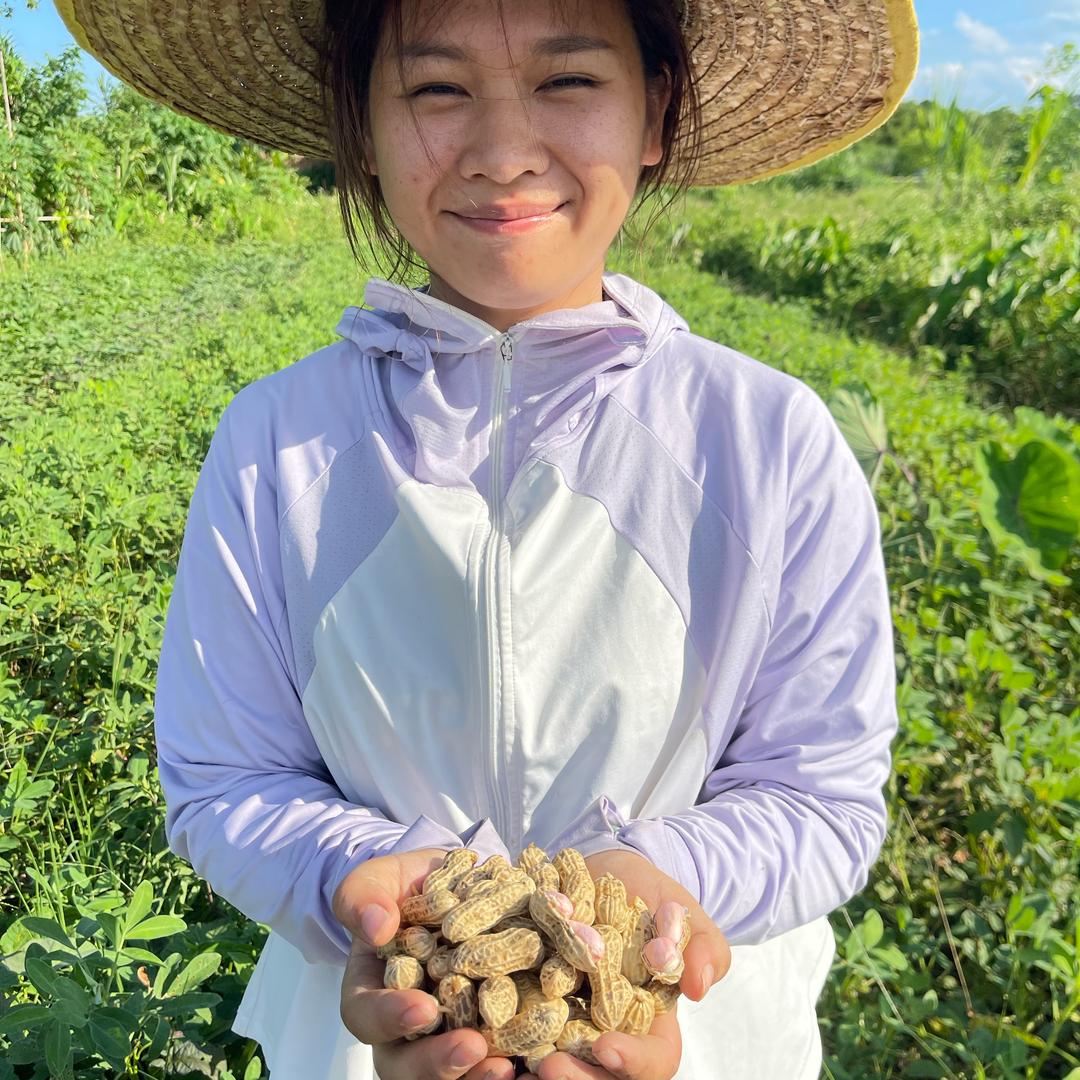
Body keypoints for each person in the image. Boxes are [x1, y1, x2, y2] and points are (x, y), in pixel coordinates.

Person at [57, 0, 919, 1076]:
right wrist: (369, 883)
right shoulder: (277, 444)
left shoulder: (767, 441)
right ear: (362, 136)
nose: (506, 153)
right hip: (374, 1032)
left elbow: (821, 791)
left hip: (703, 1042)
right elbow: (225, 775)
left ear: (654, 113)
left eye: (569, 82)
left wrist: (654, 880)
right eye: (435, 90)